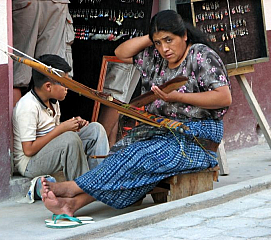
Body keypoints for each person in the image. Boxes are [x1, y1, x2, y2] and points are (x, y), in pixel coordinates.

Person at [39, 10, 232, 216]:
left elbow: (223, 98)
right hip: (160, 132)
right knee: (121, 153)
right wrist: (151, 37)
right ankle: (73, 205)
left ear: (184, 35)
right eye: (158, 42)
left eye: (169, 40)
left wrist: (178, 97)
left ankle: (73, 188)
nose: (164, 48)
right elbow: (122, 52)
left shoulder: (201, 56)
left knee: (140, 157)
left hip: (195, 139)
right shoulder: (155, 57)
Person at [12, 54, 109, 182]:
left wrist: (73, 126)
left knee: (95, 129)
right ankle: (82, 186)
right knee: (70, 139)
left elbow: (51, 132)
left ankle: (100, 179)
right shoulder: (28, 106)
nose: (67, 88)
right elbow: (28, 150)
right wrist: (62, 129)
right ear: (48, 86)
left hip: (47, 151)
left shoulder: (53, 102)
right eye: (64, 84)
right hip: (30, 164)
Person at [12, 0, 75, 106]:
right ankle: (45, 122)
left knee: (18, 73)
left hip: (29, 4)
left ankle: (18, 121)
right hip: (56, 3)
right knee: (51, 72)